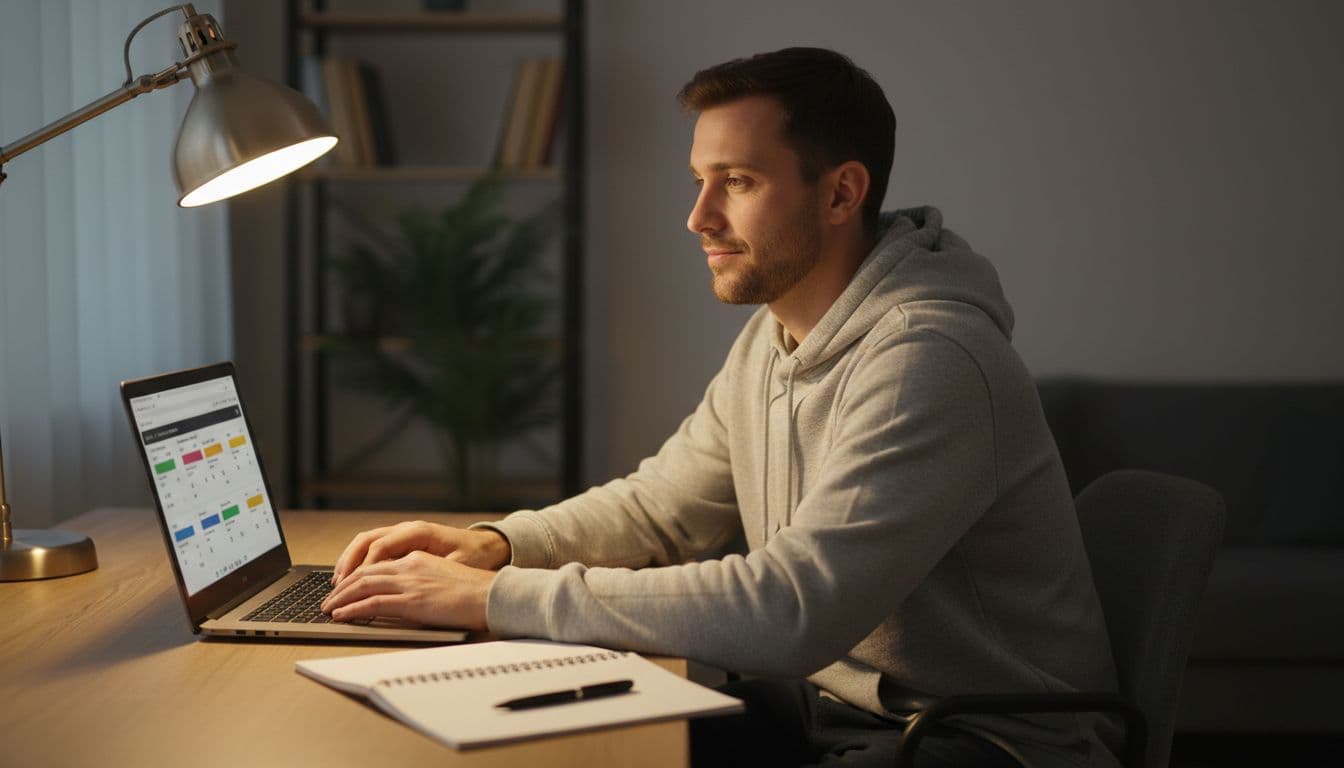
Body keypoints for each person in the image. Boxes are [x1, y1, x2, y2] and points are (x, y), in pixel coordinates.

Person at [322, 47, 1122, 768]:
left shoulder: (930, 358)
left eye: (736, 182)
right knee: (550, 745)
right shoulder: (774, 335)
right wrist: (496, 546)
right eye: (700, 181)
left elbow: (792, 608)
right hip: (836, 711)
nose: (698, 217)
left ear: (842, 192)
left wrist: (496, 602)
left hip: (982, 740)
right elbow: (662, 511)